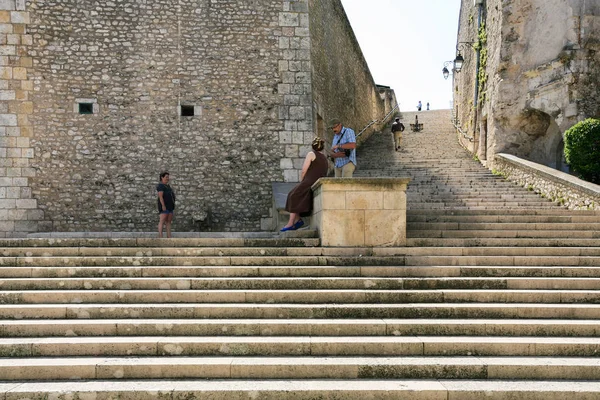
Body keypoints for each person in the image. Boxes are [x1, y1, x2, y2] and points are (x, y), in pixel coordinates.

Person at [281, 137, 328, 232]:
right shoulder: (324, 157)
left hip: (309, 181)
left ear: (313, 146)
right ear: (322, 147)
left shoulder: (311, 154)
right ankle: (297, 219)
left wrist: (302, 181)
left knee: (293, 195)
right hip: (316, 180)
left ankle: (291, 222)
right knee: (292, 194)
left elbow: (304, 170)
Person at [157, 171, 176, 238]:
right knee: (162, 220)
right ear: (162, 177)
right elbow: (160, 196)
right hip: (164, 206)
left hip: (170, 206)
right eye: (166, 177)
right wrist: (163, 205)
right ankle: (160, 236)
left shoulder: (168, 186)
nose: (168, 178)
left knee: (168, 221)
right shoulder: (161, 186)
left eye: (168, 177)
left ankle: (169, 236)